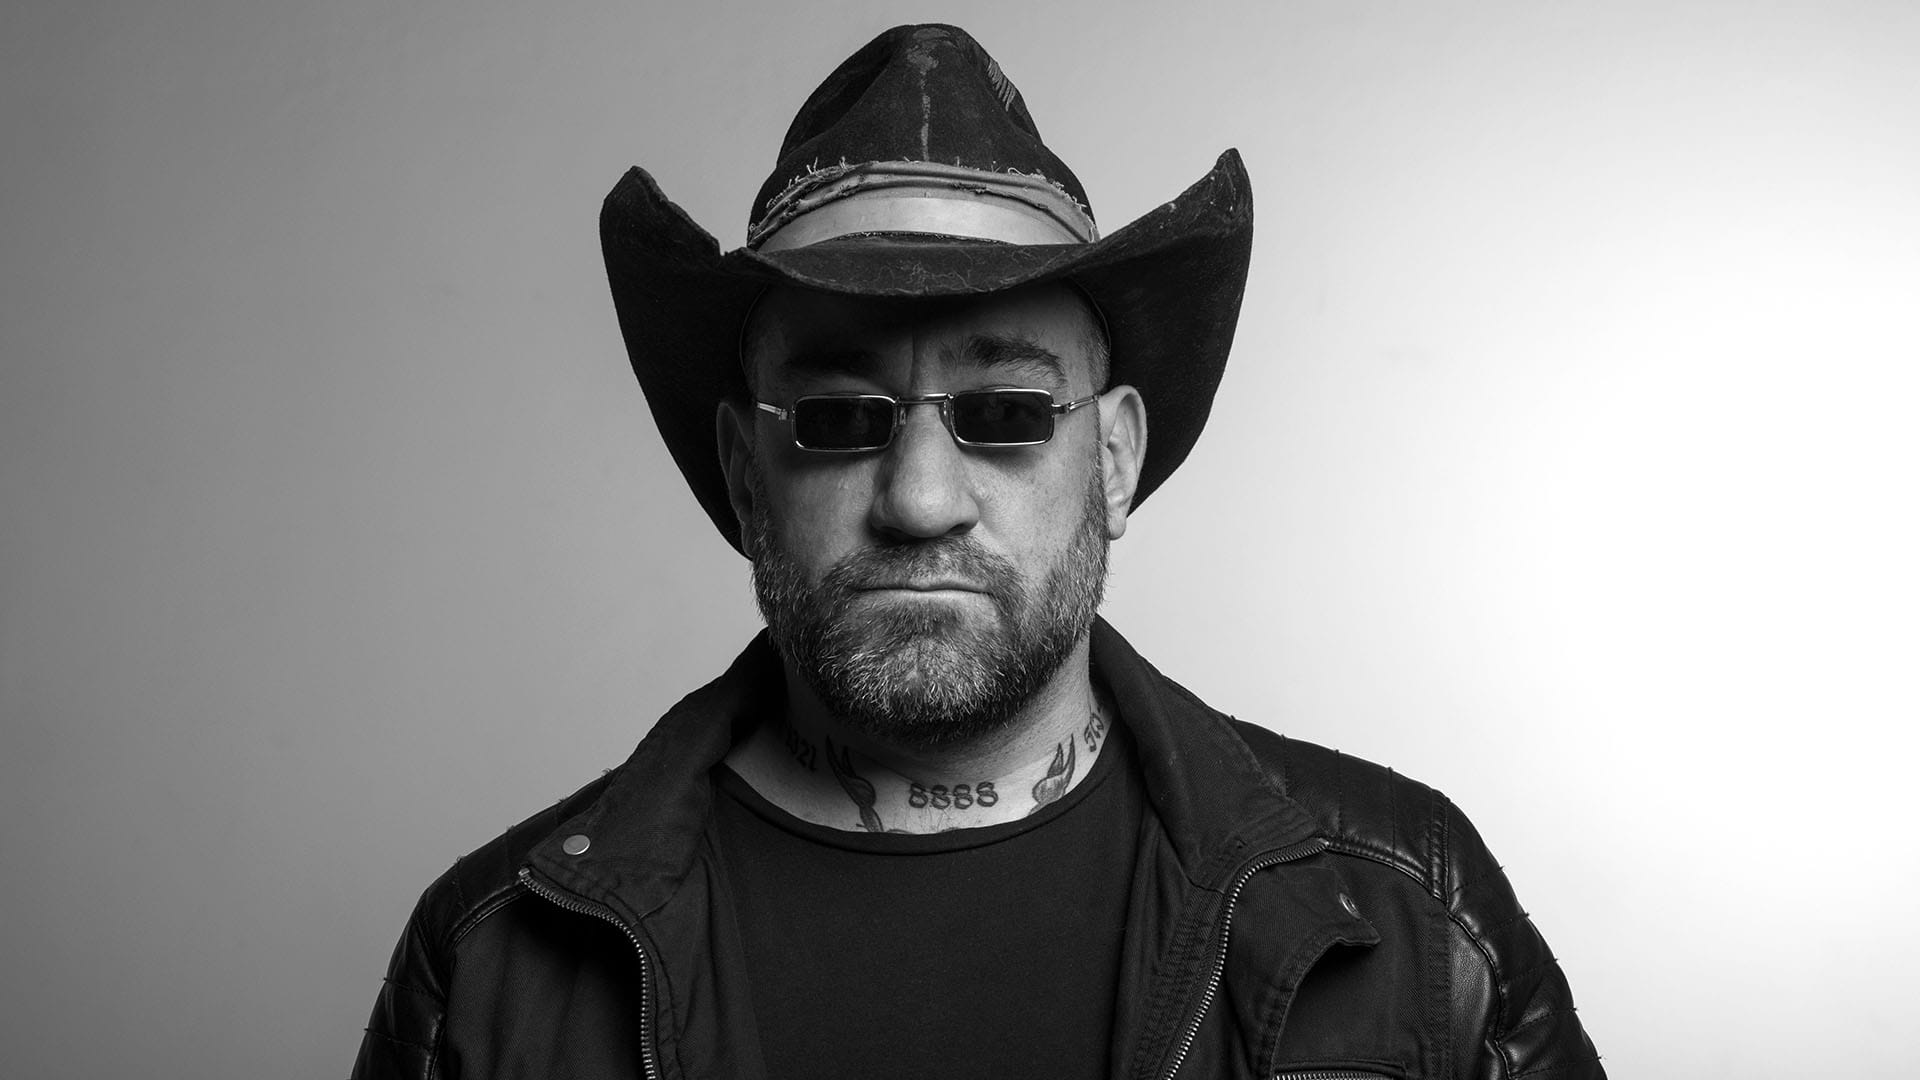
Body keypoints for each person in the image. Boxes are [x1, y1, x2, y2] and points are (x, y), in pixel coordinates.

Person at [352, 24, 1604, 1080]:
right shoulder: (491, 962)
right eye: (839, 420)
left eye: (1005, 413)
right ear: (743, 472)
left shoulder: (1412, 917)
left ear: (1113, 461)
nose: (919, 499)